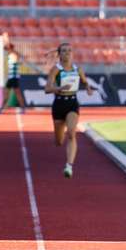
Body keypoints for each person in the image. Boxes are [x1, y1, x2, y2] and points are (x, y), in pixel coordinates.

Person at [44, 43, 94, 178]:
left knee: (72, 133)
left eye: (69, 51)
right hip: (59, 105)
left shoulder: (78, 69)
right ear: (59, 54)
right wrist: (59, 88)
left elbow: (84, 81)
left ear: (72, 53)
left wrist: (88, 88)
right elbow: (47, 89)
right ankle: (61, 132)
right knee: (59, 141)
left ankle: (69, 166)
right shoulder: (56, 70)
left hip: (72, 103)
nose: (67, 53)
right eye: (64, 51)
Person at [0, 44, 26, 113]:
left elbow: (19, 58)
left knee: (16, 93)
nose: (6, 50)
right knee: (7, 92)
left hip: (14, 77)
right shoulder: (11, 55)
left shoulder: (13, 55)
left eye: (7, 49)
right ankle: (2, 108)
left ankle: (22, 108)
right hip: (11, 77)